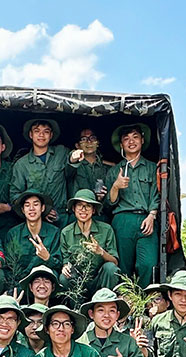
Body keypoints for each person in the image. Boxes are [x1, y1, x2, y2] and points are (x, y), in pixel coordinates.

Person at [105, 123, 159, 288]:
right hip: (123, 221)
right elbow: (108, 203)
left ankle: (142, 298)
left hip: (146, 219)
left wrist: (152, 215)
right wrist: (116, 186)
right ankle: (125, 300)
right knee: (123, 267)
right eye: (126, 139)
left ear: (142, 140)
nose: (131, 141)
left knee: (148, 264)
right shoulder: (114, 171)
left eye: (135, 137)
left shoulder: (152, 168)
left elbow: (157, 195)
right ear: (121, 145)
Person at [9, 118, 81, 224]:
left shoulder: (61, 152)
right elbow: (15, 195)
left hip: (62, 217)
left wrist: (73, 159)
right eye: (37, 131)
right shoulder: (21, 165)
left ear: (51, 135)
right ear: (31, 134)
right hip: (36, 219)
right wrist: (41, 210)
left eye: (46, 131)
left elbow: (71, 171)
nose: (41, 135)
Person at [60, 189, 121, 298]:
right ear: (73, 208)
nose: (83, 209)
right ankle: (76, 306)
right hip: (79, 280)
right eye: (79, 205)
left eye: (88, 206)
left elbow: (115, 262)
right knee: (64, 277)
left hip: (100, 279)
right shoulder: (66, 233)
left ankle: (106, 301)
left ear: (93, 210)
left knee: (110, 268)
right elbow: (66, 260)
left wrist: (101, 252)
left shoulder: (106, 229)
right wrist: (65, 267)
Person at [3, 190, 63, 277]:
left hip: (45, 280)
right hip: (20, 280)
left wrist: (47, 258)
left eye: (36, 204)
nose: (31, 208)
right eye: (27, 205)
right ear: (23, 210)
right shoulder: (13, 234)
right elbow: (8, 267)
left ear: (42, 208)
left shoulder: (54, 232)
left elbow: (59, 266)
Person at [68, 127, 112, 207]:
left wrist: (102, 198)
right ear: (77, 145)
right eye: (84, 139)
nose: (89, 141)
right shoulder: (73, 167)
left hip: (102, 211)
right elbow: (69, 166)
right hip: (78, 211)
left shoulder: (107, 168)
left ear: (97, 142)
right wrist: (73, 158)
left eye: (92, 138)